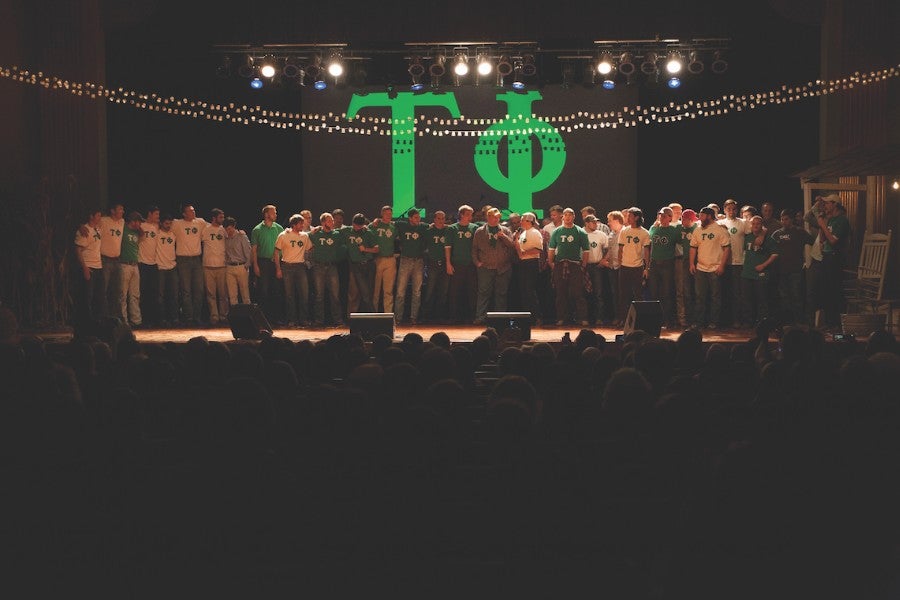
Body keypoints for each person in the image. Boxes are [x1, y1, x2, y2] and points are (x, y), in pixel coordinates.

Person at [472, 207, 516, 325]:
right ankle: (480, 317)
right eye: (493, 217)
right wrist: (477, 262)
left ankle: (500, 319)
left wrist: (503, 237)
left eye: (497, 217)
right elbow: (474, 249)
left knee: (501, 293)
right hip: (485, 267)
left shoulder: (505, 230)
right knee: (483, 293)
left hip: (503, 268)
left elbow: (512, 245)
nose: (495, 219)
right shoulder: (480, 231)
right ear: (488, 217)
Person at [689, 206, 731, 329]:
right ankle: (699, 322)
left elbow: (727, 249)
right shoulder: (697, 230)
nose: (699, 218)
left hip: (715, 268)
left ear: (709, 216)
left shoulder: (720, 229)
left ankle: (714, 322)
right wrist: (692, 263)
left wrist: (722, 266)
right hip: (701, 268)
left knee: (715, 297)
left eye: (702, 216)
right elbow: (693, 247)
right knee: (699, 296)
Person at [548, 207, 590, 326]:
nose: (567, 217)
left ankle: (582, 318)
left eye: (570, 215)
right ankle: (561, 318)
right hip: (560, 264)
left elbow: (586, 251)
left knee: (578, 293)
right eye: (565, 215)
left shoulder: (580, 232)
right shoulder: (557, 231)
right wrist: (551, 263)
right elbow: (551, 249)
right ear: (563, 217)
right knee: (560, 293)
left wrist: (583, 266)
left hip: (575, 265)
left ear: (573, 217)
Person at [771, 209, 813, 325]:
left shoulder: (799, 232)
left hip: (796, 270)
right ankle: (787, 322)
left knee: (796, 296)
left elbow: (813, 242)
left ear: (791, 220)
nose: (784, 222)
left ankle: (799, 322)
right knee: (784, 297)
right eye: (782, 219)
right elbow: (770, 249)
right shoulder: (777, 234)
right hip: (781, 270)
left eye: (786, 219)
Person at [816, 194, 851, 329]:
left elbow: (833, 241)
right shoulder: (830, 220)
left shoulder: (842, 220)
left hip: (835, 258)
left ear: (835, 204)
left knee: (834, 290)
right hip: (826, 256)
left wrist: (823, 225)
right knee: (825, 290)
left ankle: (837, 323)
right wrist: (821, 225)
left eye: (827, 203)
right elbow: (823, 240)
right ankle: (829, 322)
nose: (825, 206)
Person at [718, 198, 753, 328]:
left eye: (733, 209)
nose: (731, 211)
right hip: (725, 263)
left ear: (736, 210)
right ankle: (729, 320)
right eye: (728, 209)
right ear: (724, 210)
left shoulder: (743, 223)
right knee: (727, 293)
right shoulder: (720, 223)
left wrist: (762, 234)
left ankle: (741, 320)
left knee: (741, 294)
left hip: (740, 263)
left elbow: (759, 228)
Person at [173, 204, 208, 325]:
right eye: (190, 211)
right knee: (186, 290)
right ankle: (188, 317)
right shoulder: (177, 224)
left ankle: (197, 317)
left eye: (194, 210)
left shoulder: (200, 222)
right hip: (183, 260)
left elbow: (213, 228)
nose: (193, 212)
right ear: (184, 213)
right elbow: (163, 227)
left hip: (196, 259)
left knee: (199, 289)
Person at [274, 214, 311, 328]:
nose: (302, 225)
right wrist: (278, 269)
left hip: (300, 267)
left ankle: (303, 319)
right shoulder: (283, 235)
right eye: (300, 223)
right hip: (287, 266)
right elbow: (276, 253)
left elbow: (310, 249)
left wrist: (307, 260)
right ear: (294, 225)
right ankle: (292, 320)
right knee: (290, 295)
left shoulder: (304, 236)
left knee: (304, 294)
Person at [308, 212, 345, 327]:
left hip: (332, 267)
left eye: (332, 221)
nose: (332, 223)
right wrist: (312, 231)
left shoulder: (337, 234)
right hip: (318, 267)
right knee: (319, 295)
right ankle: (319, 321)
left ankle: (337, 321)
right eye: (329, 221)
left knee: (335, 295)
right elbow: (302, 236)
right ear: (323, 223)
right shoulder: (316, 234)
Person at [741, 216, 779, 324]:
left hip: (761, 273)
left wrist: (763, 265)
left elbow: (775, 254)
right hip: (747, 273)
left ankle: (762, 323)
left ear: (762, 225)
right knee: (747, 299)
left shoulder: (768, 239)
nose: (755, 226)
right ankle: (748, 322)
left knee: (762, 299)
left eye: (758, 224)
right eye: (753, 224)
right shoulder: (748, 237)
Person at [394, 208, 429, 324]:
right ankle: (398, 318)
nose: (418, 219)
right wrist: (376, 221)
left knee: (417, 291)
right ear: (409, 218)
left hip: (418, 261)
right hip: (405, 260)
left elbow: (434, 226)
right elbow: (389, 222)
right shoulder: (402, 225)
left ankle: (413, 317)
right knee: (400, 291)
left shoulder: (423, 226)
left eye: (419, 217)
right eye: (415, 217)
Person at [251, 204, 284, 325]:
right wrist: (255, 265)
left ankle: (276, 318)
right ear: (266, 214)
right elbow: (254, 249)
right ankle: (264, 319)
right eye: (273, 212)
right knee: (264, 290)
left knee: (276, 290)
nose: (276, 214)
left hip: (275, 262)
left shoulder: (279, 228)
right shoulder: (257, 229)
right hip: (263, 262)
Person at [445, 204, 479, 322]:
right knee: (455, 292)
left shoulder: (474, 228)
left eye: (471, 214)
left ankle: (472, 316)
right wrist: (448, 263)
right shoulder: (452, 228)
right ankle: (453, 317)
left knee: (472, 291)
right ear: (461, 215)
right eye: (468, 214)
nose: (471, 216)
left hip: (471, 264)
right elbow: (448, 247)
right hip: (456, 264)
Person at [617, 207, 651, 324]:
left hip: (637, 267)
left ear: (636, 217)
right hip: (625, 267)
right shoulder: (624, 231)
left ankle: (639, 320)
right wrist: (620, 262)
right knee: (623, 295)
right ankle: (624, 319)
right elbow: (620, 249)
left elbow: (646, 252)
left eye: (630, 216)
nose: (628, 218)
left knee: (638, 295)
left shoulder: (644, 233)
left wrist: (646, 268)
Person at [648, 206, 679, 328]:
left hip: (667, 263)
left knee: (667, 292)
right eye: (660, 215)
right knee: (654, 293)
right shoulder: (654, 228)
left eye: (664, 216)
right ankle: (655, 319)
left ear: (670, 218)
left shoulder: (674, 230)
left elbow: (682, 243)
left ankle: (668, 320)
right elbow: (648, 242)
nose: (661, 217)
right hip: (654, 263)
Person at [73, 209, 104, 327]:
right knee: (87, 297)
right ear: (91, 216)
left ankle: (96, 322)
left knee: (98, 296)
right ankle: (86, 323)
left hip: (98, 266)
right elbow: (78, 250)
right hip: (89, 266)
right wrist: (84, 267)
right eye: (98, 216)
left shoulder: (98, 229)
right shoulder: (84, 231)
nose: (100, 218)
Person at [345, 213, 379, 313]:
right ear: (352, 223)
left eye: (360, 226)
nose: (357, 228)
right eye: (356, 225)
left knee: (368, 292)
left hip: (369, 265)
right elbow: (333, 230)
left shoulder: (369, 233)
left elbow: (377, 249)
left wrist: (366, 249)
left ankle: (369, 316)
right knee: (358, 293)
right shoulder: (347, 231)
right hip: (356, 266)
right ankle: (353, 317)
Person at [515, 212, 543, 326]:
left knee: (529, 290)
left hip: (531, 263)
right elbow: (520, 252)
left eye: (522, 220)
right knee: (524, 290)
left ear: (529, 221)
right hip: (523, 263)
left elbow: (538, 249)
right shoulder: (523, 233)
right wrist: (516, 240)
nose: (520, 222)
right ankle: (527, 317)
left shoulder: (535, 233)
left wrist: (524, 252)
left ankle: (536, 316)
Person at [202, 208, 228, 326]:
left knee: (223, 294)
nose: (222, 219)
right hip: (208, 265)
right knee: (210, 294)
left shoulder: (224, 230)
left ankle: (224, 316)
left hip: (222, 265)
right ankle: (214, 316)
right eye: (220, 217)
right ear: (214, 218)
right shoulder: (205, 229)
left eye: (223, 217)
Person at [422, 210, 450, 323]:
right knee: (429, 291)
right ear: (434, 219)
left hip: (444, 264)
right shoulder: (428, 231)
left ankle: (440, 317)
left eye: (443, 218)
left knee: (443, 292)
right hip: (432, 263)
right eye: (438, 218)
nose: (441, 221)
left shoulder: (448, 230)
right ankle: (426, 317)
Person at [99, 203, 125, 319]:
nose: (122, 211)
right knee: (103, 289)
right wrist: (81, 226)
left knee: (118, 290)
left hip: (117, 260)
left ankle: (117, 317)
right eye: (120, 209)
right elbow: (91, 224)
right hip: (105, 260)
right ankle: (103, 316)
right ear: (112, 211)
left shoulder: (122, 222)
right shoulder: (104, 221)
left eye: (122, 209)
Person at [370, 205, 398, 314]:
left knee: (388, 291)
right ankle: (374, 315)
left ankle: (388, 316)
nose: (389, 216)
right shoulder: (375, 225)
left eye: (390, 214)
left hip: (390, 260)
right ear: (382, 214)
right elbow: (365, 230)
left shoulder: (393, 227)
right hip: (377, 260)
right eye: (386, 214)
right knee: (375, 291)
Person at [583, 214, 609, 326]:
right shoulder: (581, 233)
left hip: (597, 267)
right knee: (585, 293)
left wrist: (604, 260)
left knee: (598, 293)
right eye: (593, 222)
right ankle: (586, 318)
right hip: (584, 267)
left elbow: (609, 249)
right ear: (587, 223)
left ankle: (599, 318)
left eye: (596, 222)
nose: (596, 224)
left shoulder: (601, 235)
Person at [674, 209, 698, 328]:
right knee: (685, 291)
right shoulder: (679, 228)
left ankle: (697, 319)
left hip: (697, 261)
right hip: (684, 261)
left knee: (696, 291)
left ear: (691, 220)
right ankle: (687, 319)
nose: (682, 221)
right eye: (682, 218)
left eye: (685, 219)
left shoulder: (697, 229)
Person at [119, 211, 143, 328]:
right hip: (124, 265)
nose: (139, 224)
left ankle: (136, 320)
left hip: (135, 265)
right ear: (132, 221)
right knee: (123, 294)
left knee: (135, 294)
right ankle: (124, 321)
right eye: (138, 221)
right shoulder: (123, 228)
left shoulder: (137, 232)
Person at [138, 206, 160, 327]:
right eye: (156, 214)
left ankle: (153, 319)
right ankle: (144, 319)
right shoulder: (141, 225)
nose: (158, 217)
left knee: (154, 293)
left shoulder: (157, 227)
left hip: (153, 264)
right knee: (143, 292)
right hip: (142, 263)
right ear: (149, 214)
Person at [223, 216, 252, 307]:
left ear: (234, 226)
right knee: (232, 295)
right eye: (227, 229)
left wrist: (246, 265)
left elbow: (248, 251)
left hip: (241, 266)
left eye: (230, 229)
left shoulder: (241, 236)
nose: (229, 231)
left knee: (245, 294)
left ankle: (248, 316)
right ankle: (234, 316)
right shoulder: (225, 238)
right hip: (229, 267)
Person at [156, 214, 179, 326]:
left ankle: (174, 318)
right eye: (166, 223)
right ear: (161, 223)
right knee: (161, 295)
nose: (168, 225)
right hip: (160, 267)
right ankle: (162, 319)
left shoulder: (173, 234)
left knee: (173, 294)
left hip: (172, 267)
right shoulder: (157, 233)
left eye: (170, 223)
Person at [606, 211, 625, 324]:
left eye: (610, 220)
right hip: (612, 267)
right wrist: (605, 260)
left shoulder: (625, 232)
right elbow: (610, 250)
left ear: (617, 221)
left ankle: (624, 318)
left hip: (623, 267)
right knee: (615, 293)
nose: (608, 223)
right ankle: (618, 317)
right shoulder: (611, 234)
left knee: (623, 294)